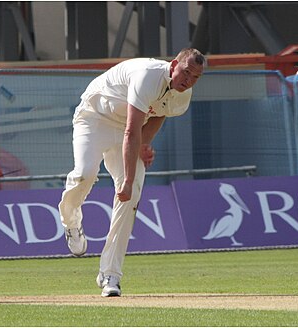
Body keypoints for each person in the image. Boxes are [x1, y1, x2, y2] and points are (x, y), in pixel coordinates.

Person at [58, 48, 206, 297]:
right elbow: (130, 132)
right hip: (95, 118)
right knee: (85, 173)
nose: (188, 81)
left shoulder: (184, 93)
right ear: (174, 65)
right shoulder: (147, 76)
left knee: (132, 196)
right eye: (186, 72)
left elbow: (160, 114)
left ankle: (110, 275)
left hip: (129, 129)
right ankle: (71, 220)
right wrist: (126, 179)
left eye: (195, 78)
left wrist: (145, 144)